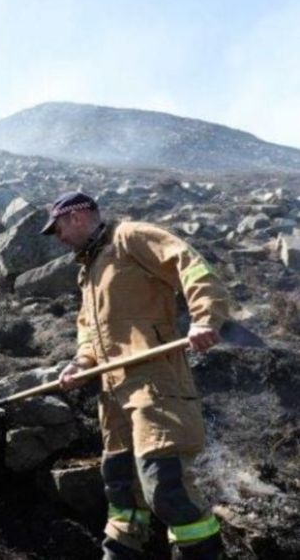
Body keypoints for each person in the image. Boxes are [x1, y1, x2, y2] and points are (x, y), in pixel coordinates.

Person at [42, 192, 229, 560]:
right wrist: (80, 364)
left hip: (153, 383)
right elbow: (88, 331)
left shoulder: (129, 237)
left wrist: (206, 317)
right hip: (111, 395)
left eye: (58, 227)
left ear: (77, 216)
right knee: (122, 493)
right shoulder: (89, 271)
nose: (58, 237)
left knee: (166, 488)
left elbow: (188, 264)